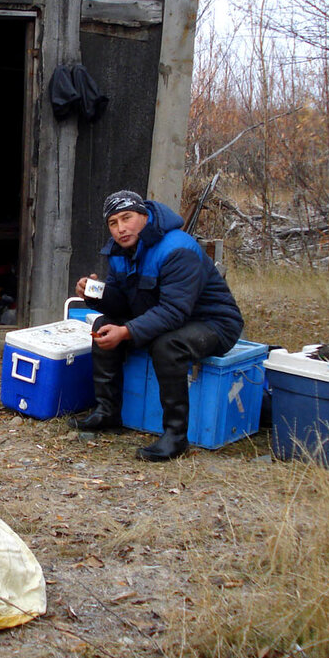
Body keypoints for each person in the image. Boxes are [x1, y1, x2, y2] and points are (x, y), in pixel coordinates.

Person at [72, 190, 244, 461]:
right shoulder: (119, 251)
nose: (121, 229)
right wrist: (95, 294)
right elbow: (123, 304)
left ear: (144, 216)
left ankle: (176, 436)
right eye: (113, 223)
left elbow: (175, 311)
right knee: (105, 324)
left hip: (213, 324)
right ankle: (108, 412)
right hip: (165, 317)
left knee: (167, 346)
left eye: (127, 218)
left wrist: (127, 332)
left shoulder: (177, 249)